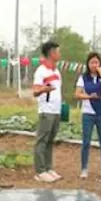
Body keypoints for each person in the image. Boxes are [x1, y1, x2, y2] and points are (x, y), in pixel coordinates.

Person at [75, 52, 101, 180]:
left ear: (100, 64)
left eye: (96, 62)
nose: (94, 65)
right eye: (92, 62)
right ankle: (84, 168)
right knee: (86, 142)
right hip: (88, 112)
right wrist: (89, 96)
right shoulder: (83, 78)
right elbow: (77, 94)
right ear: (88, 64)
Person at [32, 41, 64, 183]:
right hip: (46, 110)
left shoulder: (56, 71)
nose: (59, 54)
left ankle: (49, 167)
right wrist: (43, 90)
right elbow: (35, 91)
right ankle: (40, 170)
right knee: (42, 140)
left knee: (50, 140)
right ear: (51, 53)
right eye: (58, 51)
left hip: (56, 110)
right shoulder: (41, 71)